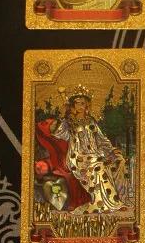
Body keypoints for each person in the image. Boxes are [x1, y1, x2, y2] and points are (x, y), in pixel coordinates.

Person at [35, 85, 126, 213]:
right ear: (73, 106)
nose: (80, 106)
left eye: (82, 103)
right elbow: (59, 134)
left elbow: (101, 139)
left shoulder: (91, 122)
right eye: (77, 103)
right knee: (98, 166)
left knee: (115, 161)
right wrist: (62, 120)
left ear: (87, 105)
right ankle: (104, 204)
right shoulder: (68, 122)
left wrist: (111, 150)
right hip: (77, 157)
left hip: (95, 154)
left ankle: (112, 201)